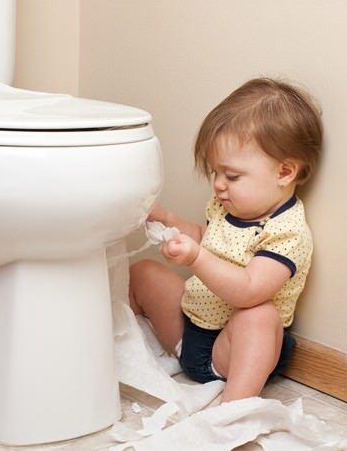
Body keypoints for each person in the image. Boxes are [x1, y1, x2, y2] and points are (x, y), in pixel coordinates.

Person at [129, 77, 322, 402]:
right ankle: (124, 352)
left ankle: (234, 408)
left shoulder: (286, 232)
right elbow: (209, 240)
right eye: (214, 172)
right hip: (192, 332)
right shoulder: (227, 204)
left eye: (232, 175)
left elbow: (249, 289)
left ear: (284, 173)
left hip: (232, 351)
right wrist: (168, 221)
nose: (218, 184)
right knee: (142, 273)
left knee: (260, 316)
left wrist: (195, 258)